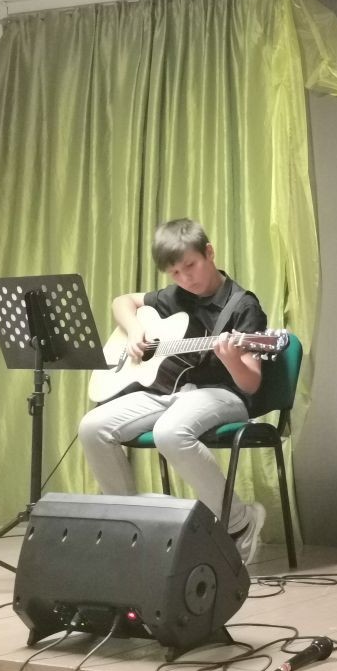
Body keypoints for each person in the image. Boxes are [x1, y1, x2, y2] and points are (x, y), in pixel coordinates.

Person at [79, 218, 268, 563]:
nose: (185, 279)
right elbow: (122, 301)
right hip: (171, 391)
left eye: (190, 266)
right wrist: (134, 330)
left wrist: (232, 360)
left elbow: (251, 383)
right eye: (175, 273)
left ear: (209, 252)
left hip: (225, 395)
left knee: (170, 432)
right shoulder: (176, 295)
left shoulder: (243, 306)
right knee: (92, 427)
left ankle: (240, 522)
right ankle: (131, 526)